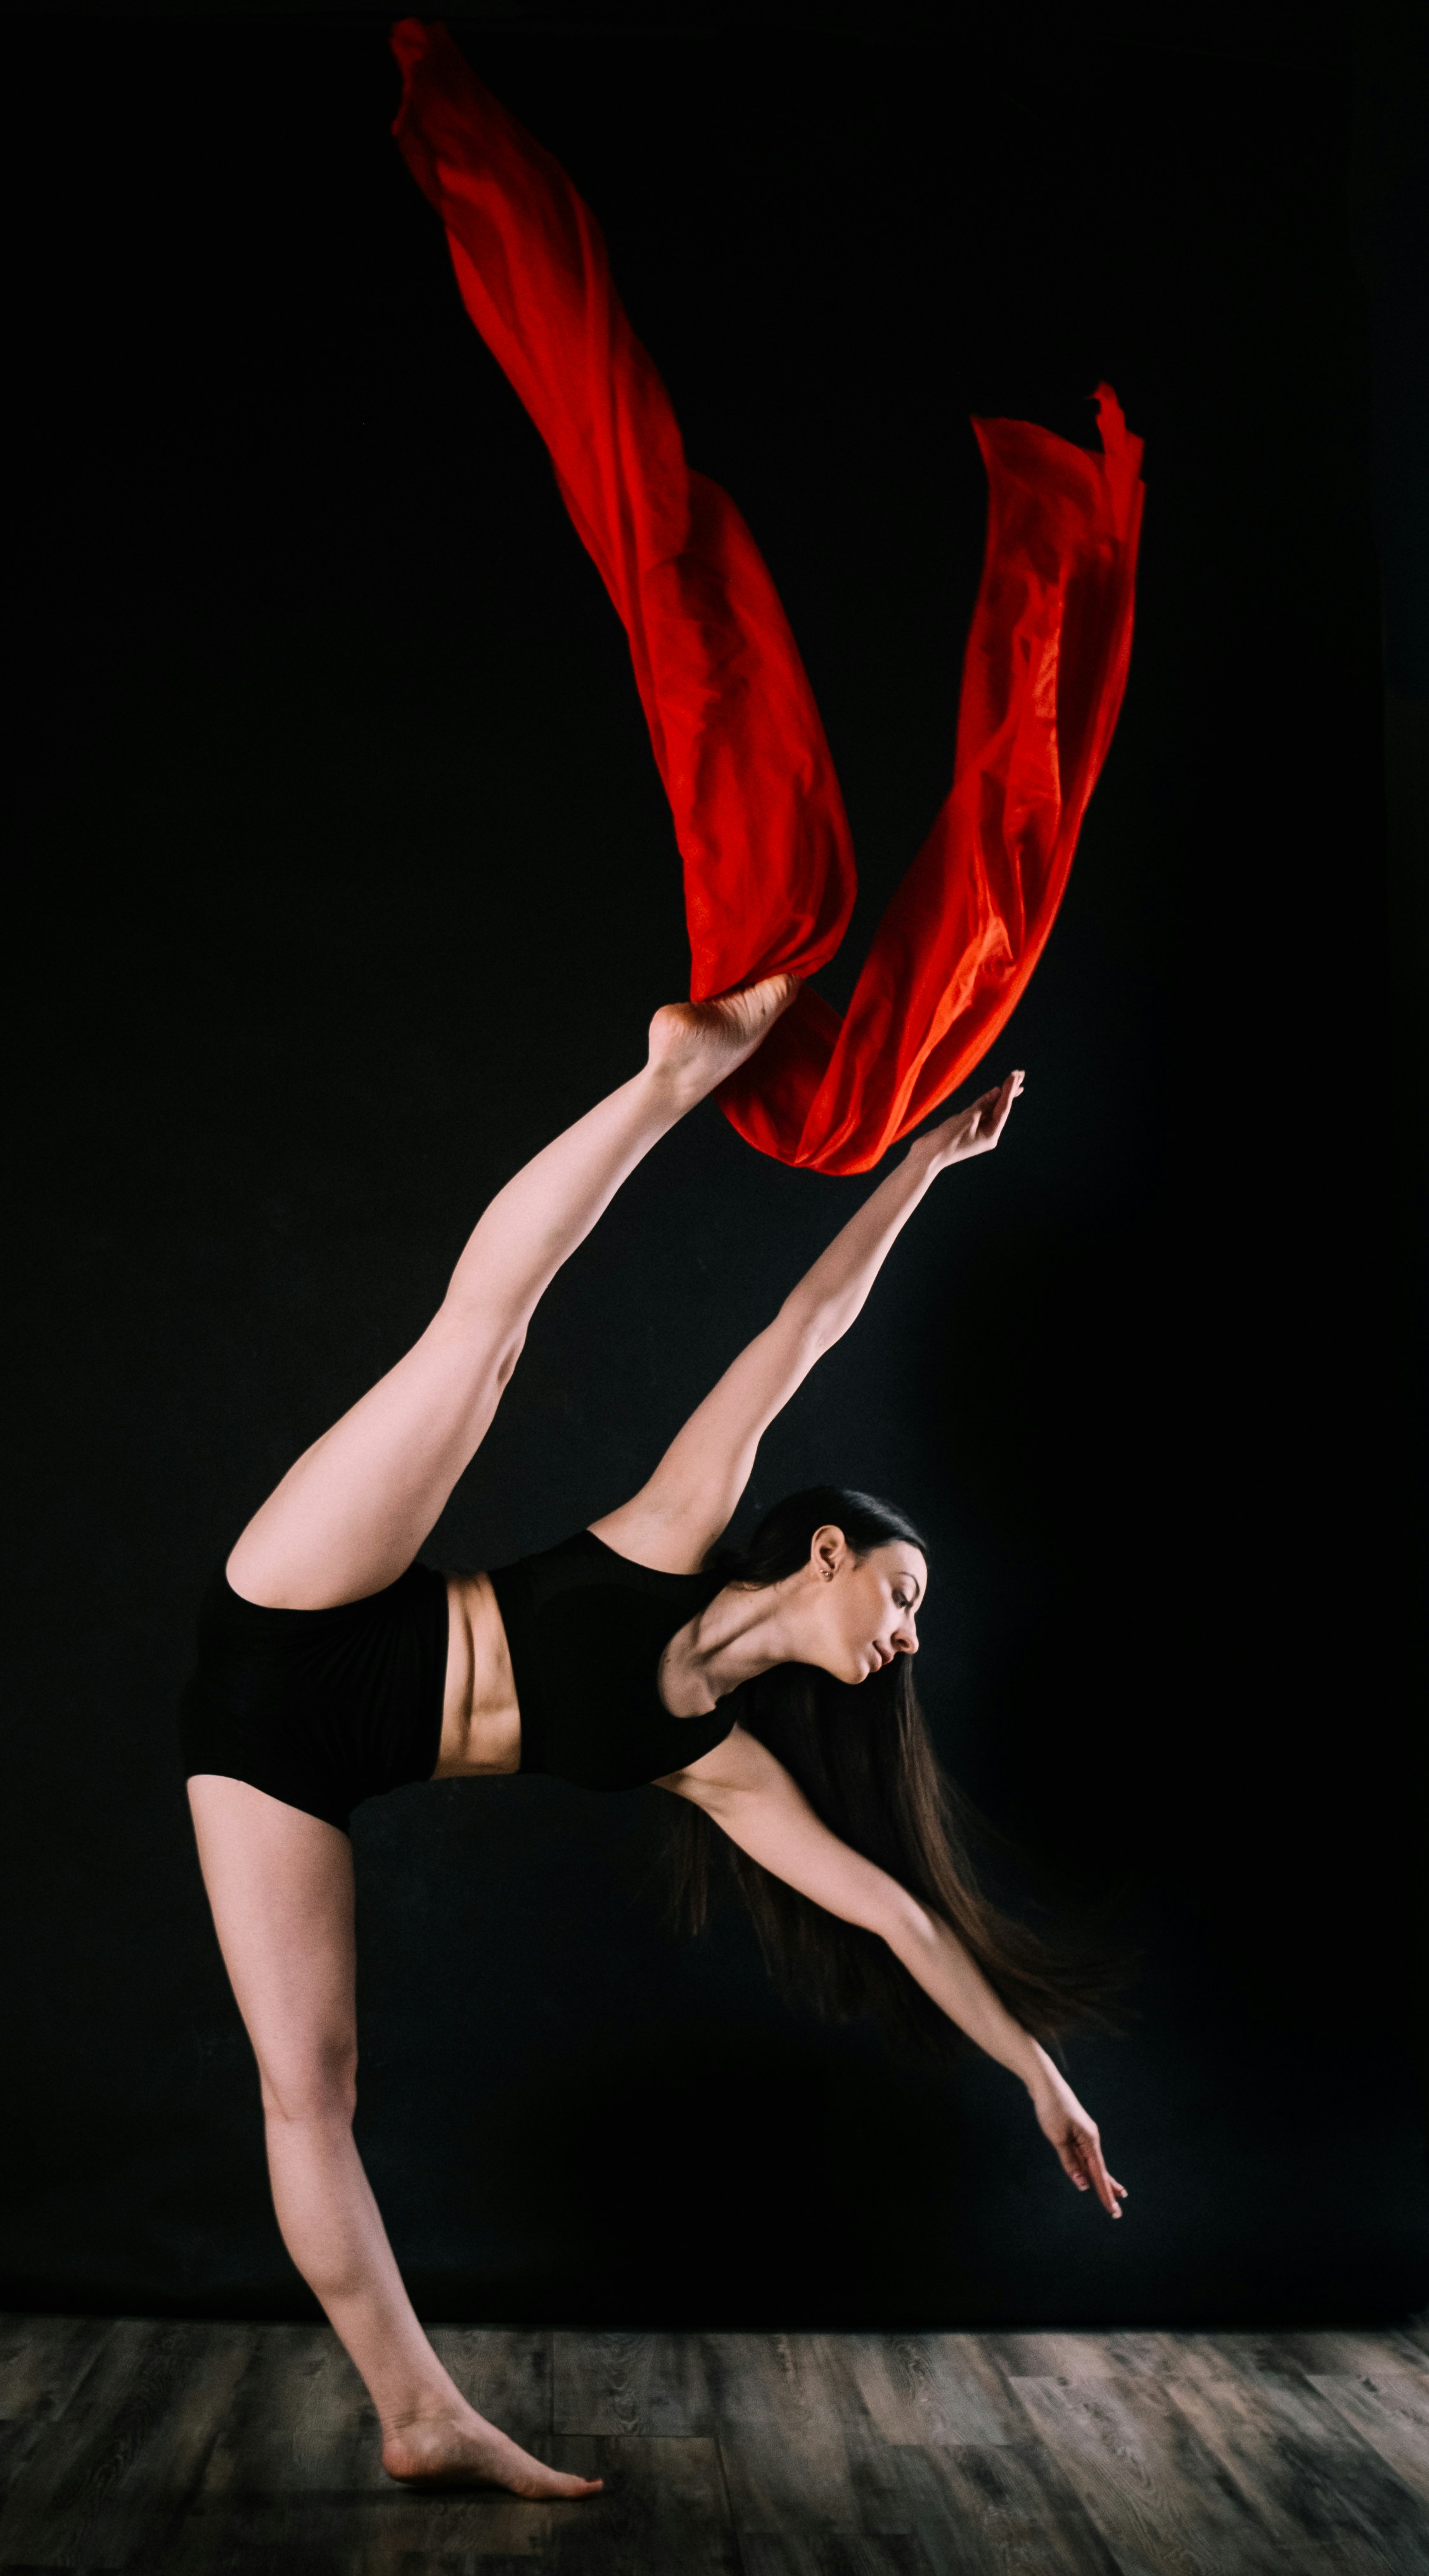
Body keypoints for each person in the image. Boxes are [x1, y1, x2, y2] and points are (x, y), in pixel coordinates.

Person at [183, 975, 1127, 2502]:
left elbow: (889, 1911)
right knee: (478, 1346)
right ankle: (668, 1080)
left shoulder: (719, 1758)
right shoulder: (675, 1530)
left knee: (314, 2092)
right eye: (903, 1591)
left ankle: (418, 2416)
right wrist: (922, 1168)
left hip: (279, 1754)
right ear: (825, 1552)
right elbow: (804, 1324)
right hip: (306, 1608)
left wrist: (1038, 2072)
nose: (907, 1634)